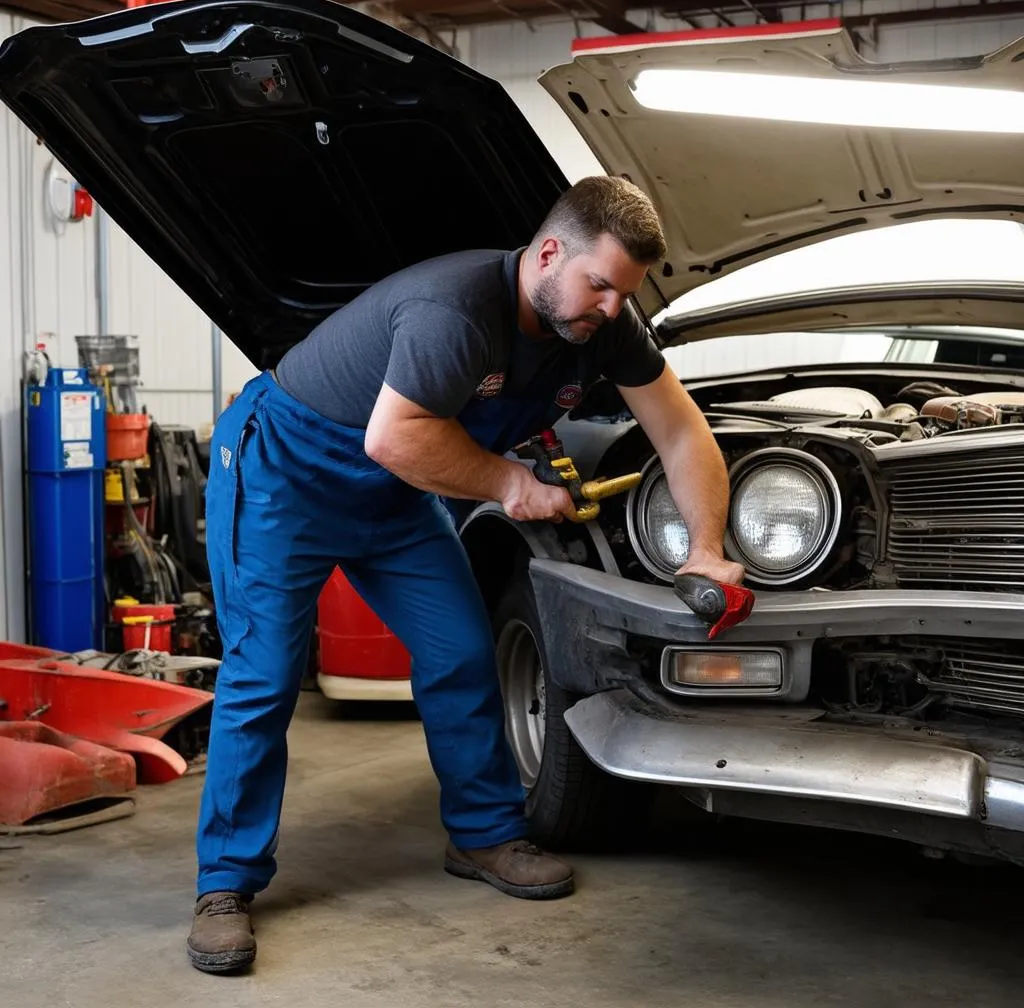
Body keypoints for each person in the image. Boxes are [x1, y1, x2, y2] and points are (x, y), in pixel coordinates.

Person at [187, 175, 744, 974]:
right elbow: (393, 438)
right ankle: (224, 885)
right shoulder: (455, 310)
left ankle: (485, 836)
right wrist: (511, 483)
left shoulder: (601, 326)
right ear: (549, 254)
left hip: (396, 490)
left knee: (458, 652)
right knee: (265, 673)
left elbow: (682, 432)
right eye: (599, 285)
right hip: (287, 472)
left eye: (625, 292)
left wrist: (705, 547)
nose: (612, 308)